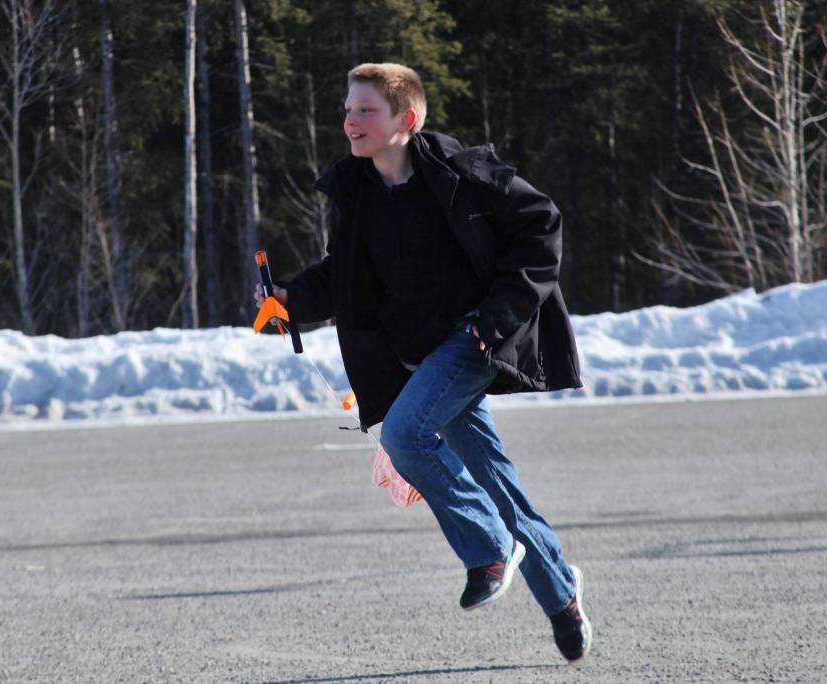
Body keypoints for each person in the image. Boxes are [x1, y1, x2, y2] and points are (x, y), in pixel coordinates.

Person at [253, 63, 591, 664]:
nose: (350, 121)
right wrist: (289, 299)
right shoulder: (358, 193)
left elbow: (541, 230)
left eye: (366, 111)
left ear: (405, 120)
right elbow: (344, 273)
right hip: (413, 355)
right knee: (496, 484)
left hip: (473, 340)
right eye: (349, 109)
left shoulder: (462, 176)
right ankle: (562, 593)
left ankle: (488, 547)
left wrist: (498, 316)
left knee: (407, 437)